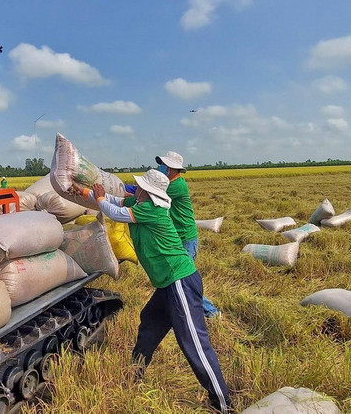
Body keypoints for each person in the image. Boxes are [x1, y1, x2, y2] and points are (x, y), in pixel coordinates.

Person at [70, 170, 231, 413]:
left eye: (140, 187)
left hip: (180, 281)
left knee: (194, 343)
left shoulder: (152, 210)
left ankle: (223, 404)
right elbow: (115, 202)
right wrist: (83, 192)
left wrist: (101, 199)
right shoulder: (140, 202)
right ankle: (135, 372)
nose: (136, 189)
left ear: (149, 191)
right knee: (149, 322)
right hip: (167, 284)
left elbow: (113, 211)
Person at [156, 151, 221, 318]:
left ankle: (211, 313)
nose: (160, 168)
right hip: (179, 237)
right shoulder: (170, 183)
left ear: (170, 168)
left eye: (163, 165)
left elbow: (150, 196)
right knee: (176, 279)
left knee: (185, 280)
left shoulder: (176, 186)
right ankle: (174, 312)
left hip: (186, 238)